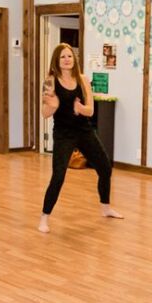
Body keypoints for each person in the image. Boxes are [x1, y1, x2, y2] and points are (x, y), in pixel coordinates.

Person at [38, 43, 122, 233]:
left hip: (84, 131)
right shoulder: (50, 82)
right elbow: (44, 113)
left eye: (69, 56)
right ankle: (44, 218)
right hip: (63, 134)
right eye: (63, 57)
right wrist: (53, 105)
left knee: (105, 168)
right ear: (56, 61)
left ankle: (106, 207)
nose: (67, 60)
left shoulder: (83, 79)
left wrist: (80, 109)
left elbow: (90, 110)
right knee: (58, 176)